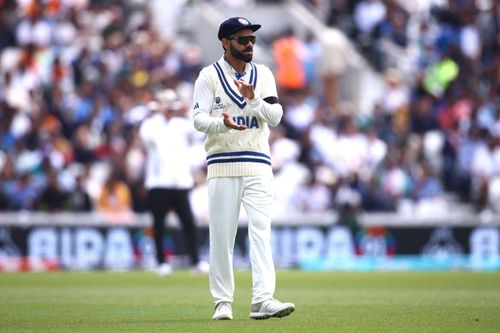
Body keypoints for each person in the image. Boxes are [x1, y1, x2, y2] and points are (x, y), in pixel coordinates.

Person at [192, 17, 295, 321]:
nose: (249, 45)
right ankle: (222, 301)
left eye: (251, 40)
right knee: (222, 237)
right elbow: (198, 120)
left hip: (258, 163)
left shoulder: (263, 74)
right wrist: (220, 124)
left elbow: (275, 115)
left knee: (261, 232)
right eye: (242, 40)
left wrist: (253, 101)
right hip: (222, 164)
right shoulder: (208, 76)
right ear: (225, 43)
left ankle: (262, 299)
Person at [139, 89, 209, 277]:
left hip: (180, 182)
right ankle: (161, 261)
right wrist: (156, 113)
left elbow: (199, 131)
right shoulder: (150, 124)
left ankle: (195, 261)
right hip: (158, 182)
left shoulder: (181, 124)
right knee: (159, 225)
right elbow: (147, 140)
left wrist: (186, 112)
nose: (169, 109)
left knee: (188, 223)